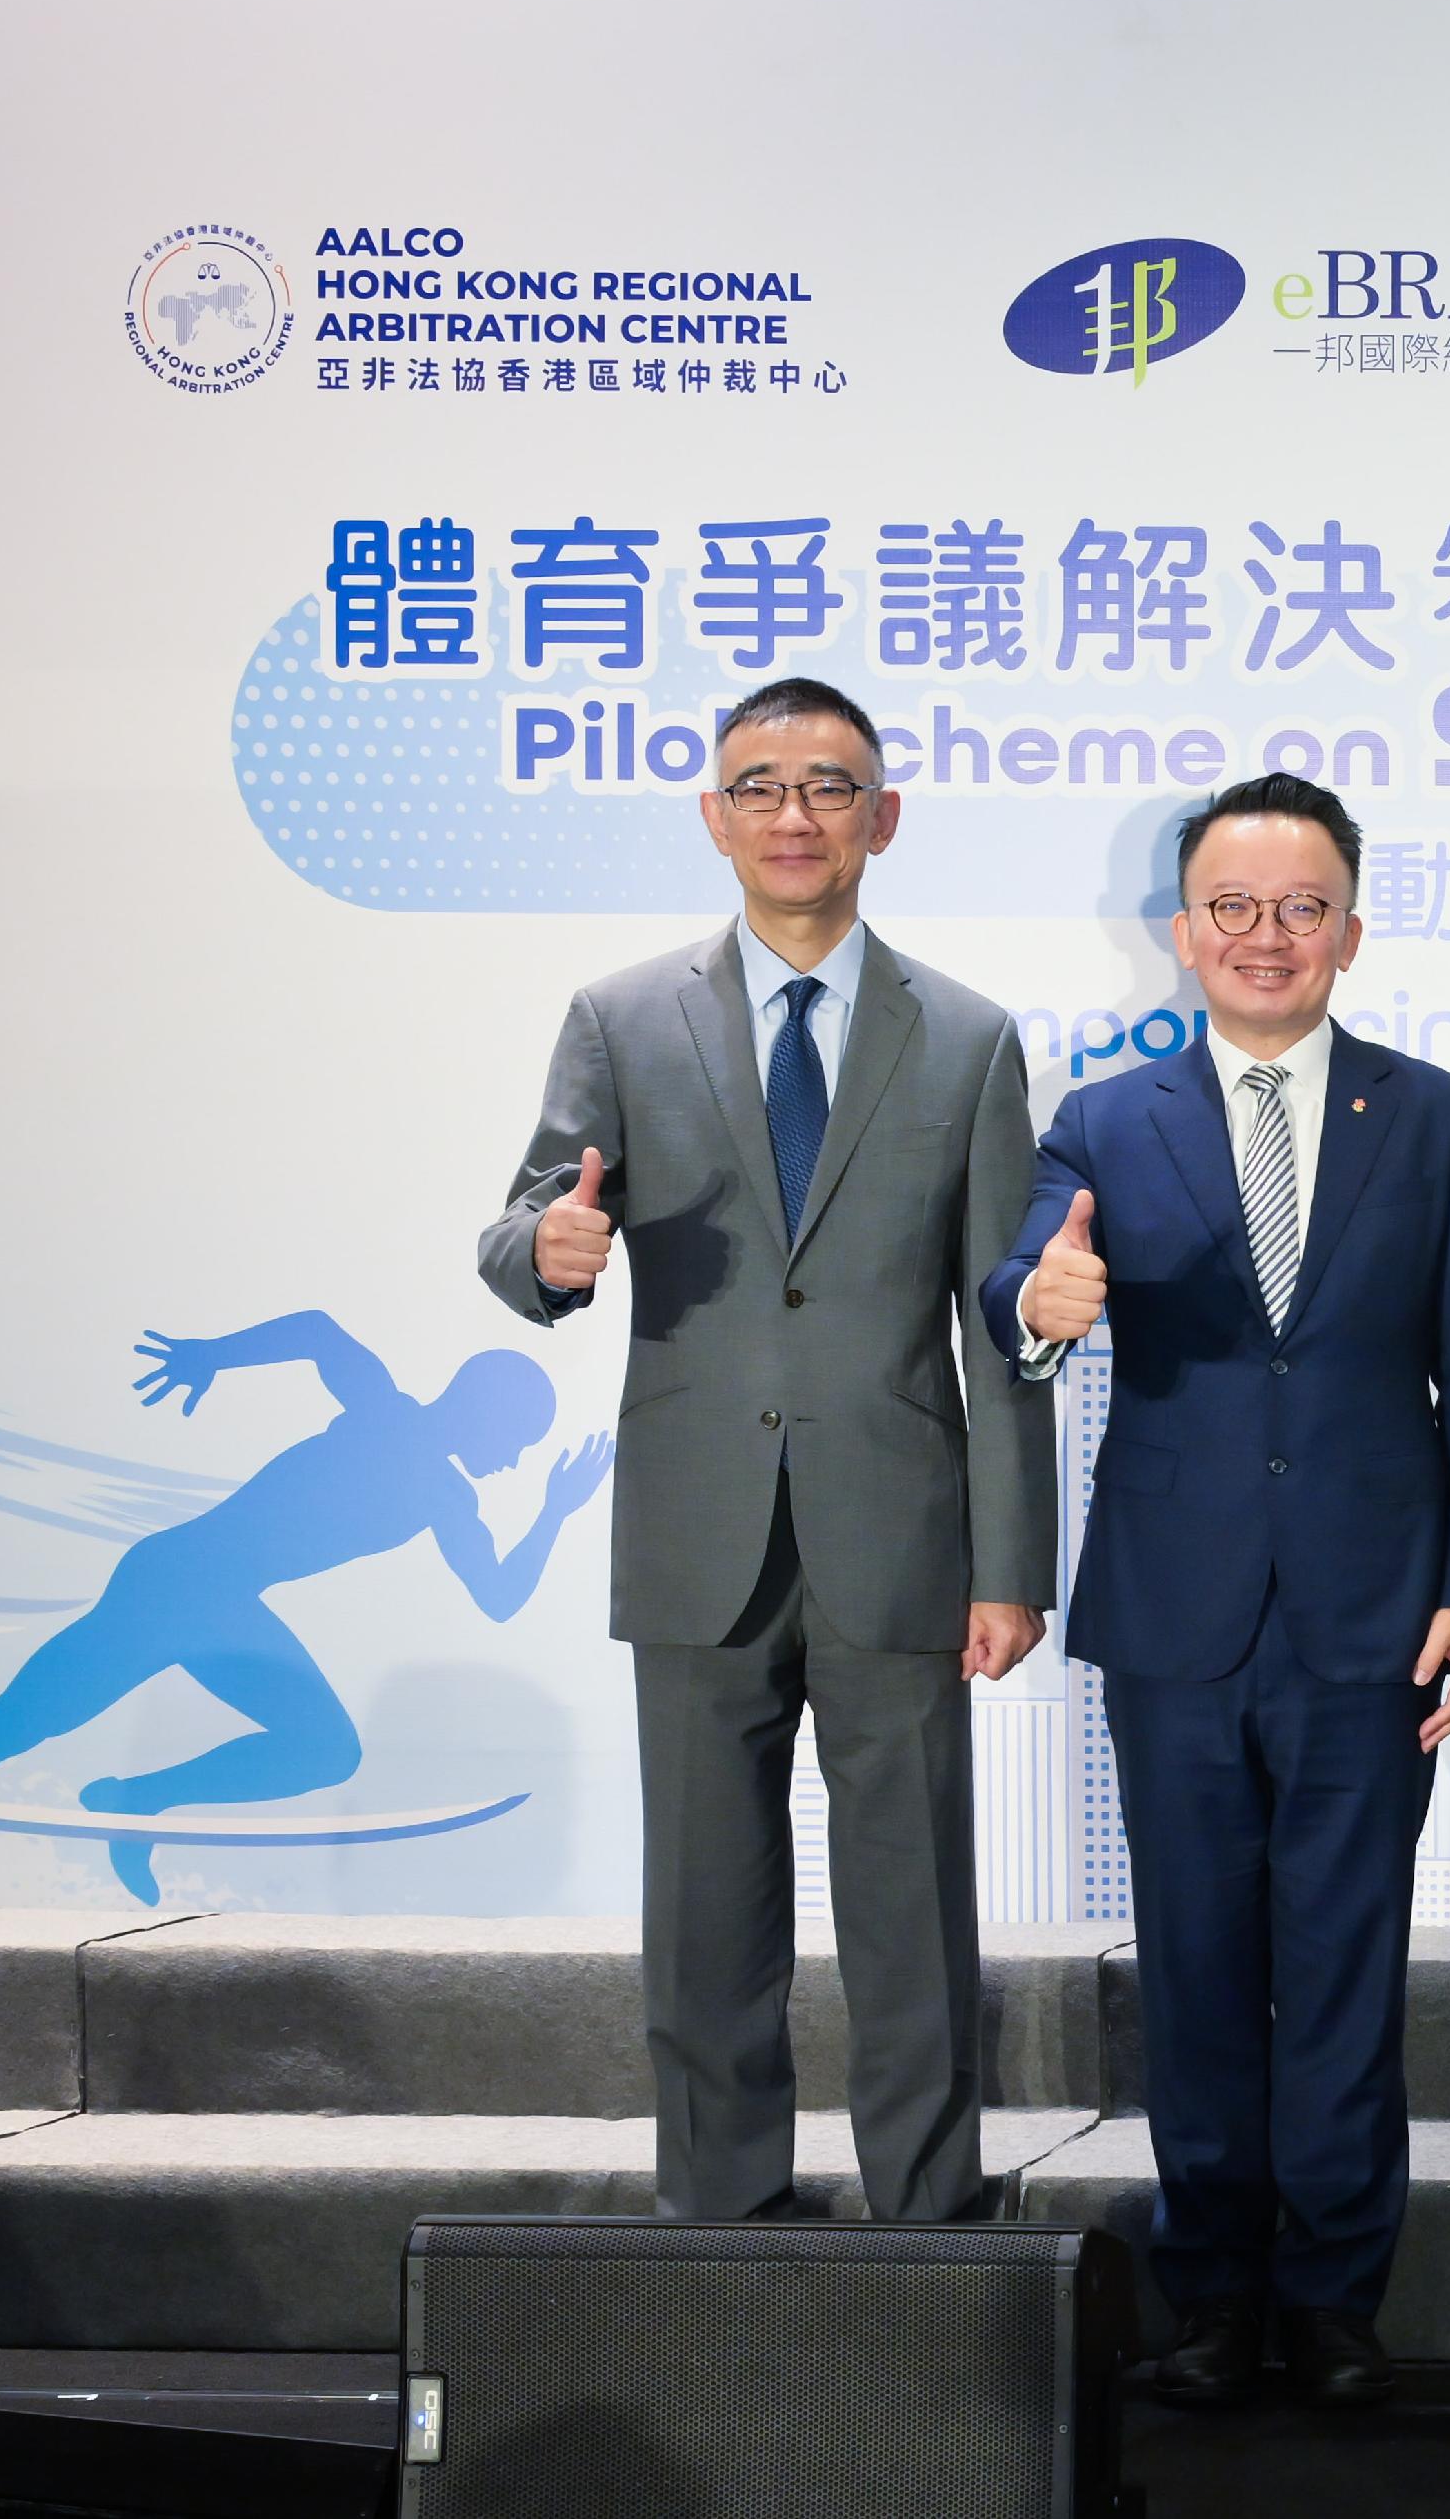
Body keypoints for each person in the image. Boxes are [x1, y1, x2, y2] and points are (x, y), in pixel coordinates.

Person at [478, 674, 1056, 2226]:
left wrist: (1011, 1563)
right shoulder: (621, 1017)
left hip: (900, 1531)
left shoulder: (969, 1038)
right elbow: (524, 1224)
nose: (794, 814)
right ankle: (720, 2212)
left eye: (828, 786)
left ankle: (927, 2215)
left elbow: (1002, 1321)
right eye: (761, 785)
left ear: (885, 815)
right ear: (714, 814)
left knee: (912, 1905)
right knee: (704, 1903)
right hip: (697, 1526)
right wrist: (547, 1252)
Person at [982, 772, 1450, 2410]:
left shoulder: (1431, 1115)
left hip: (1377, 1607)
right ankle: (1212, 2289)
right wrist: (1039, 1303)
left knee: (1346, 1963)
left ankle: (1339, 2294)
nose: (1266, 935)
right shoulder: (1104, 1119)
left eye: (1301, 908)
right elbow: (1020, 1283)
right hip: (1177, 1611)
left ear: (1350, 930)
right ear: (1182, 930)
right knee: (1199, 1961)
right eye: (1234, 906)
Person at [0, 1316, 609, 1903]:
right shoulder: (383, 1414)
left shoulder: (447, 1498)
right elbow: (317, 1330)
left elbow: (498, 1598)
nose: (513, 1460)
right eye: (516, 1440)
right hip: (171, 1585)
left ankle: (136, 1799)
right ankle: (135, 1800)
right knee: (19, 1723)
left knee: (327, 1749)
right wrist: (210, 1355)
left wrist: (554, 1512)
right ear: (486, 1413)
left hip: (221, 1609)